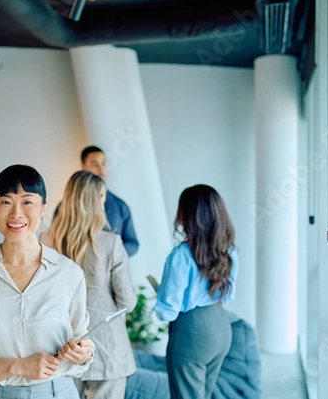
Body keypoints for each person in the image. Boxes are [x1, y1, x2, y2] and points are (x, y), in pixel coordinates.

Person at [0, 164, 94, 399]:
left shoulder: (69, 274)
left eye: (27, 201)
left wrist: (83, 354)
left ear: (43, 208)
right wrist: (19, 366)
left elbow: (82, 341)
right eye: (5, 202)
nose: (16, 213)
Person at [40, 170, 137, 399]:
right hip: (108, 349)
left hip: (61, 345)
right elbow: (128, 302)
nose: (104, 203)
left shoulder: (45, 241)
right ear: (95, 202)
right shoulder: (111, 244)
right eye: (102, 198)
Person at [154, 184, 239, 399]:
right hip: (221, 326)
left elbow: (167, 310)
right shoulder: (229, 250)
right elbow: (228, 294)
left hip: (191, 333)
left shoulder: (181, 255)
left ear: (187, 215)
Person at [80, 145, 139, 257]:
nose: (101, 169)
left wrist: (111, 253)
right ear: (83, 167)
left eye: (103, 163)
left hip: (112, 272)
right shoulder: (66, 207)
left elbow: (133, 243)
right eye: (94, 164)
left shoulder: (120, 206)